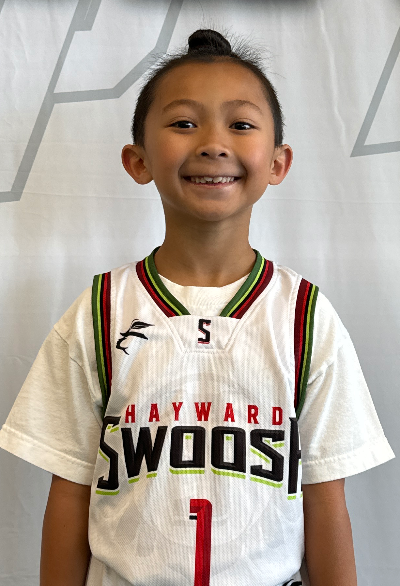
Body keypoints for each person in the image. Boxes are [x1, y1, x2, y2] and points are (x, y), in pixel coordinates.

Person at [0, 29, 395, 586]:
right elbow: (69, 492)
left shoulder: (305, 316)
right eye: (184, 123)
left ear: (278, 162)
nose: (213, 142)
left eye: (241, 124)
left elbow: (325, 500)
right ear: (137, 160)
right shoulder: (99, 310)